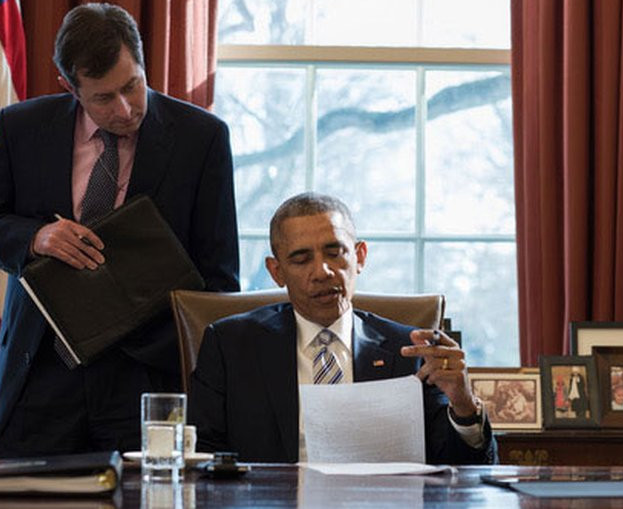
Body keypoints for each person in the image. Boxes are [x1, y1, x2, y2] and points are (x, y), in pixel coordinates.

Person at [0, 3, 239, 457]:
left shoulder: (201, 138)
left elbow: (220, 278)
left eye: (132, 86)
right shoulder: (21, 127)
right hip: (42, 372)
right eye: (103, 98)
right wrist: (35, 238)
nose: (126, 109)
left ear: (143, 63)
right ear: (70, 87)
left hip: (146, 375)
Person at [189, 193, 496, 464]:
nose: (322, 271)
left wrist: (464, 404)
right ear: (276, 271)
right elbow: (203, 456)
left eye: (335, 253)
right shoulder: (230, 346)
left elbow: (461, 469)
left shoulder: (409, 351)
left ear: (360, 256)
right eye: (301, 259)